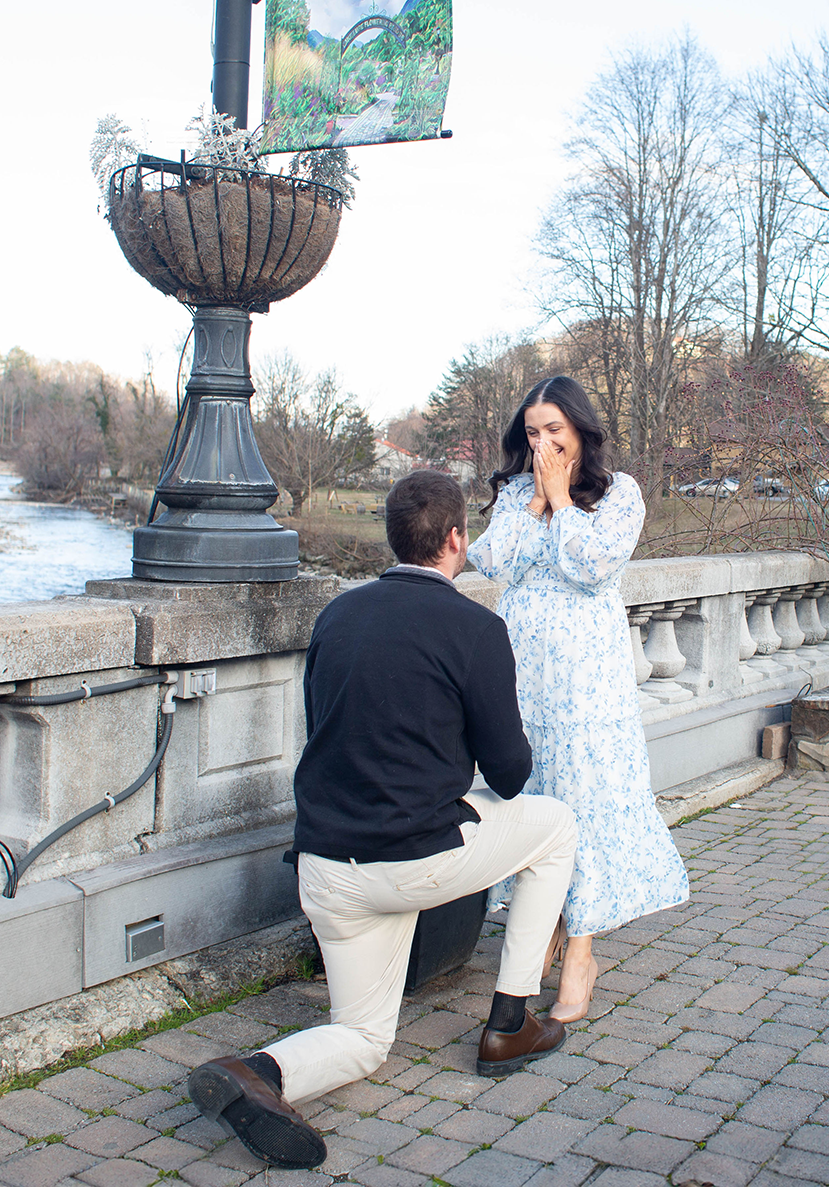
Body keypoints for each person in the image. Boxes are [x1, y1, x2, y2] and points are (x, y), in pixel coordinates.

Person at [187, 469, 579, 1171]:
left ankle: (259, 1073)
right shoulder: (478, 629)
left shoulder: (336, 616)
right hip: (412, 861)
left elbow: (333, 731)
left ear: (391, 538)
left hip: (328, 864)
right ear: (457, 540)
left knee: (365, 1038)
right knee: (554, 827)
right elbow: (512, 774)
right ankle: (511, 1021)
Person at [469, 375, 691, 1024]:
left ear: (579, 431)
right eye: (532, 433)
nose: (541, 444)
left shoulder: (619, 493)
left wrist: (564, 501)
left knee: (583, 798)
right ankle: (543, 926)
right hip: (522, 671)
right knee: (529, 792)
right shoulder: (515, 490)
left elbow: (593, 567)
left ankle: (582, 950)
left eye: (553, 432)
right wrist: (534, 504)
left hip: (586, 677)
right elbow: (488, 562)